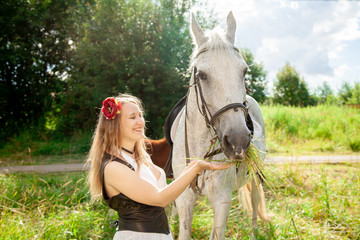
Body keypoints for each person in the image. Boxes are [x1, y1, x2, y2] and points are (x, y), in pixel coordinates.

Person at [86, 93, 232, 240]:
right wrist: (195, 168)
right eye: (132, 117)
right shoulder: (113, 166)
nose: (140, 122)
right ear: (114, 125)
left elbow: (161, 190)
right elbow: (160, 198)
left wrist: (192, 167)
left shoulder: (139, 158)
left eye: (140, 115)